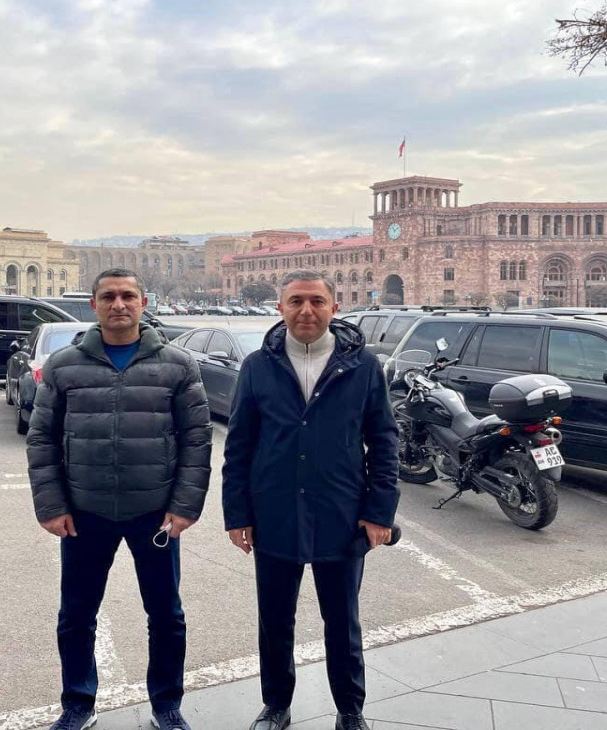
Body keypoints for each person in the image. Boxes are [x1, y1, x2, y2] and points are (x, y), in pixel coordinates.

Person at [27, 267, 212, 730]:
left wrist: (184, 506)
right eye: (108, 296)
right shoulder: (64, 365)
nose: (119, 304)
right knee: (76, 615)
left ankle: (166, 704)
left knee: (166, 614)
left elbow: (196, 438)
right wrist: (51, 506)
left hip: (155, 513)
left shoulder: (177, 364)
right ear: (94, 305)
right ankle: (77, 704)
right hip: (84, 512)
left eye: (128, 295)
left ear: (143, 303)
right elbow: (42, 438)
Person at [223, 270, 399, 730]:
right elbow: (239, 445)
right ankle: (276, 705)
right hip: (274, 512)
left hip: (341, 513)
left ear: (334, 308)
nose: (306, 310)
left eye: (317, 301)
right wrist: (237, 514)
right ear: (280, 308)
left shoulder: (363, 367)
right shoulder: (258, 366)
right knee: (275, 620)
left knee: (343, 621)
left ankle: (350, 710)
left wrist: (379, 512)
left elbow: (384, 442)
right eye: (296, 301)